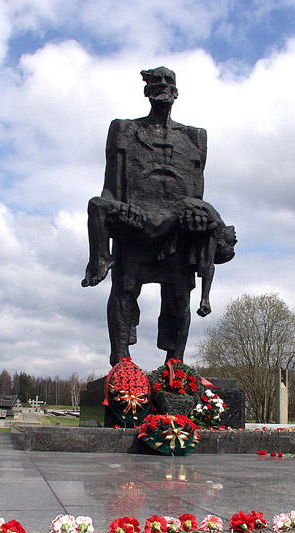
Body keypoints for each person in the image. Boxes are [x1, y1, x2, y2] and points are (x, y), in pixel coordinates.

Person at [82, 67, 236, 366]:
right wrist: (113, 215)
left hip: (178, 228)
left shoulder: (194, 137)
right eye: (156, 82)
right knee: (125, 287)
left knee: (180, 295)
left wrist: (199, 223)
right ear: (146, 90)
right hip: (138, 220)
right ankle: (122, 359)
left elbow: (197, 192)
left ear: (176, 92)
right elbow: (111, 185)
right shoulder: (125, 130)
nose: (163, 86)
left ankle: (175, 363)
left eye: (168, 82)